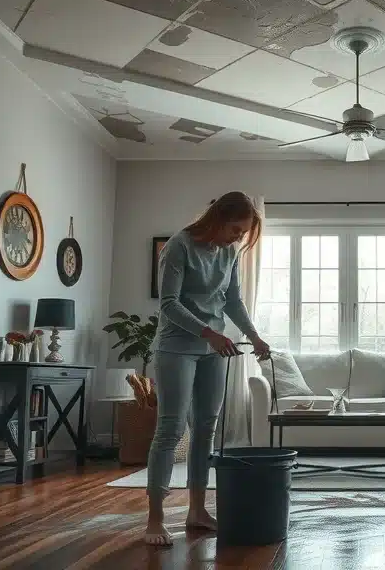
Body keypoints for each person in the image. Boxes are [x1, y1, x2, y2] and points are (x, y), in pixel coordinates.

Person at [144, 191, 271, 546]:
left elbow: (232, 301)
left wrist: (254, 336)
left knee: (206, 430)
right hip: (176, 347)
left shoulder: (228, 253)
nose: (239, 238)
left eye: (243, 233)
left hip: (214, 347)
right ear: (217, 219)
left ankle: (197, 511)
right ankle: (155, 519)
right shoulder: (178, 246)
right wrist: (208, 333)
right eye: (236, 229)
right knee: (170, 429)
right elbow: (168, 304)